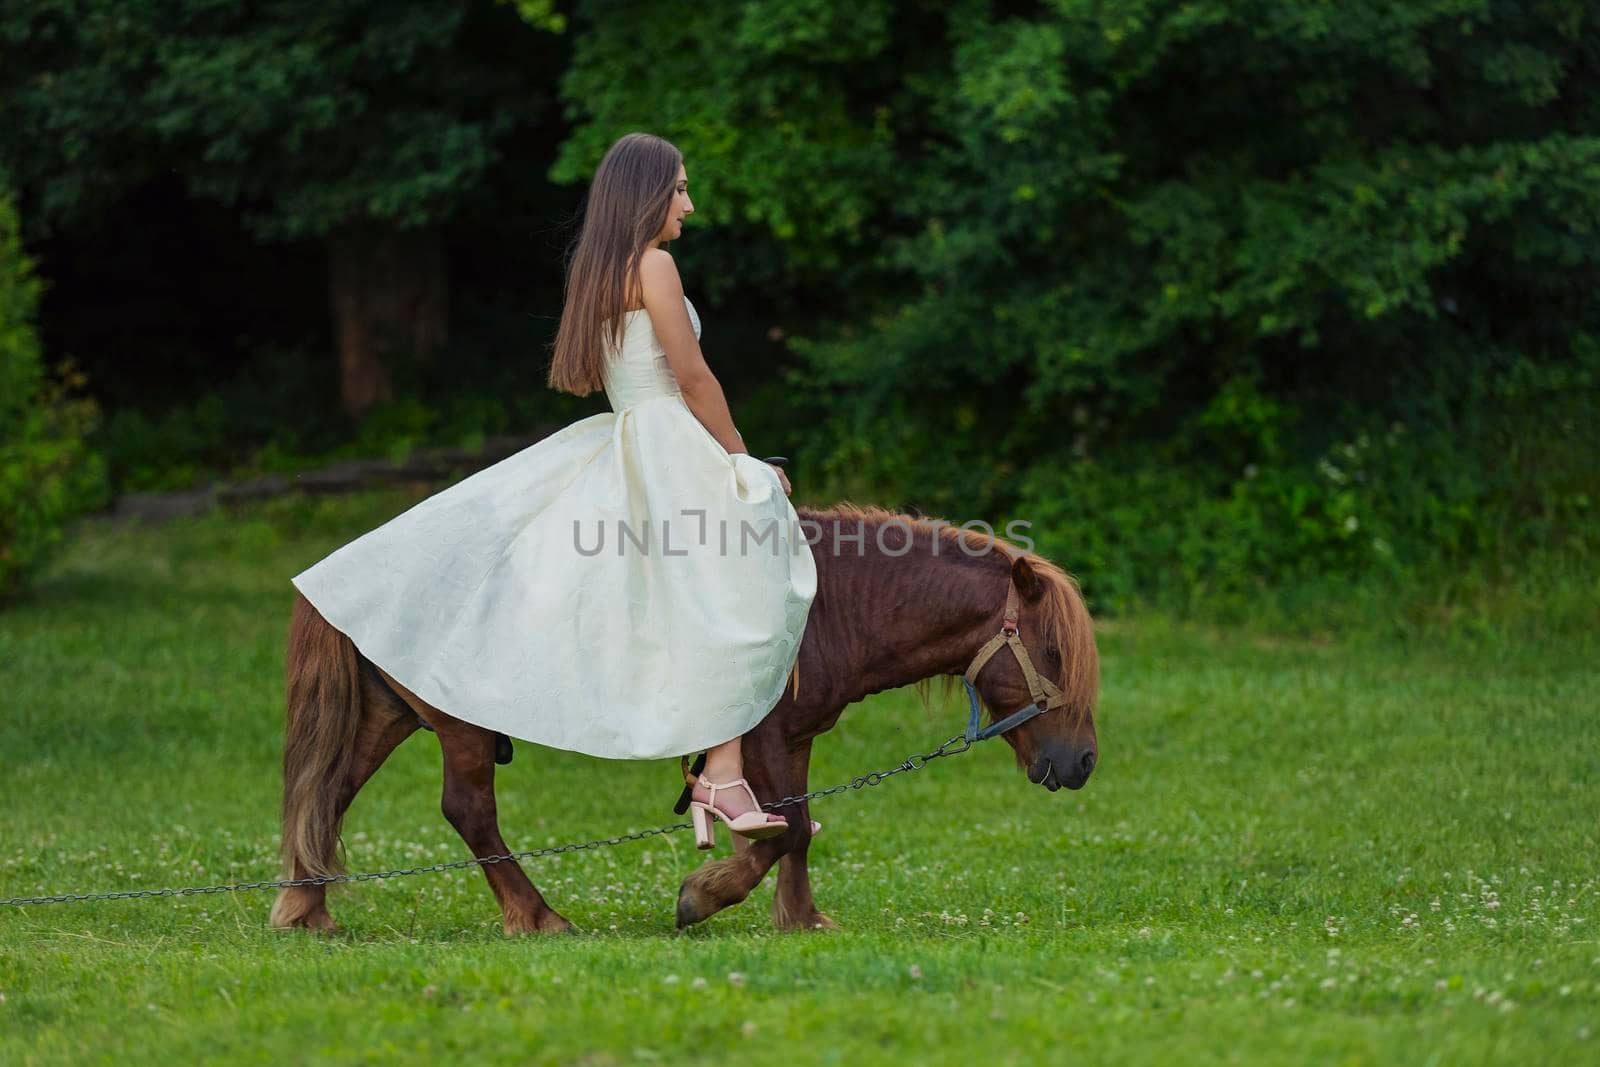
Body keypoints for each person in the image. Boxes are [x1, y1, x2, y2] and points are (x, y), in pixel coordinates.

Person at [290, 132, 817, 846]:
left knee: (715, 586)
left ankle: (722, 766)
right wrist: (743, 459)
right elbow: (693, 377)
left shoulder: (599, 270)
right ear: (648, 194)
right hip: (668, 438)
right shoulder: (654, 265)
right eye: (681, 189)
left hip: (630, 434)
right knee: (750, 577)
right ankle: (721, 771)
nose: (689, 206)